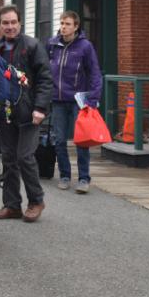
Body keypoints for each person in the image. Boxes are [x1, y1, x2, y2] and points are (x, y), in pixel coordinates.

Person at [0, 5, 53, 223]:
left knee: (25, 157)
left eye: (13, 22)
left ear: (20, 23)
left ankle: (36, 201)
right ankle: (12, 205)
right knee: (8, 158)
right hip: (6, 112)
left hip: (29, 112)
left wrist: (40, 108)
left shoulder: (33, 46)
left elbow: (45, 78)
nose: (10, 27)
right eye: (5, 23)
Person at [46, 11, 102, 194]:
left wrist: (93, 99)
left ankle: (84, 178)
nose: (64, 27)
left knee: (81, 141)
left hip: (78, 102)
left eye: (68, 24)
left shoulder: (85, 47)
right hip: (57, 101)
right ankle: (64, 175)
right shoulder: (52, 45)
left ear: (76, 26)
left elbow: (95, 73)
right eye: (62, 23)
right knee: (59, 140)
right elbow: (45, 70)